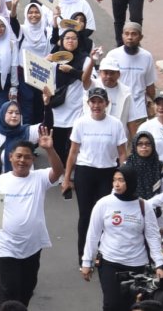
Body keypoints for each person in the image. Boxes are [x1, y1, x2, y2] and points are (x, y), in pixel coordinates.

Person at [0, 131, 65, 307]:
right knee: (8, 295)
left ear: (32, 160)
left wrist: (49, 149)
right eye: (18, 156)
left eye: (27, 157)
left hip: (32, 247)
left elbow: (58, 171)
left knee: (26, 291)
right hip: (6, 247)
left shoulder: (39, 178)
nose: (22, 161)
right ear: (10, 157)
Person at [82, 166, 163, 311]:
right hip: (110, 263)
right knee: (112, 305)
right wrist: (86, 261)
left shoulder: (143, 206)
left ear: (131, 182)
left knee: (133, 306)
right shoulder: (103, 203)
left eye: (121, 180)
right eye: (114, 180)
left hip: (137, 265)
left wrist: (159, 263)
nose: (116, 184)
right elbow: (93, 234)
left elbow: (153, 236)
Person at [61, 87, 128, 262]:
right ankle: (83, 255)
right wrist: (67, 178)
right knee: (85, 214)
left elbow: (122, 153)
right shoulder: (81, 123)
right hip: (85, 172)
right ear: (88, 103)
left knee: (105, 215)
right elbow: (73, 152)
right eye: (93, 102)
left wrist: (123, 176)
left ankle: (102, 253)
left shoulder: (115, 124)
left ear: (107, 104)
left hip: (108, 173)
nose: (96, 105)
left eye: (100, 102)